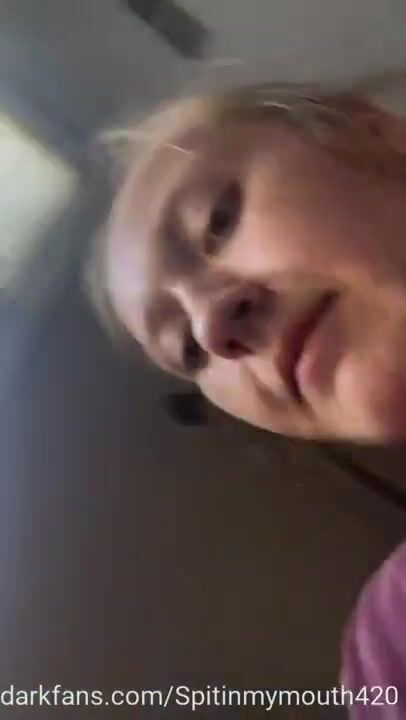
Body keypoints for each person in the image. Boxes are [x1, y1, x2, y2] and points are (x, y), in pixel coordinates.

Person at [88, 76, 406, 714]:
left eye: (219, 220)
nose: (212, 325)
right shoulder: (388, 648)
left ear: (374, 135)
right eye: (187, 349)